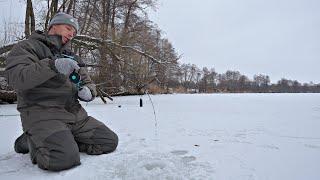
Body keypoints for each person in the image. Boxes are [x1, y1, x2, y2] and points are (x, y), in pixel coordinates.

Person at [5, 12, 118, 171]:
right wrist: (52, 66)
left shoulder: (73, 57)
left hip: (75, 115)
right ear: (53, 26)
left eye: (74, 31)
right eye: (68, 28)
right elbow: (16, 77)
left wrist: (88, 92)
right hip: (43, 114)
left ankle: (59, 138)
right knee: (64, 158)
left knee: (109, 141)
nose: (72, 33)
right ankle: (31, 141)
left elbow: (88, 82)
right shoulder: (28, 47)